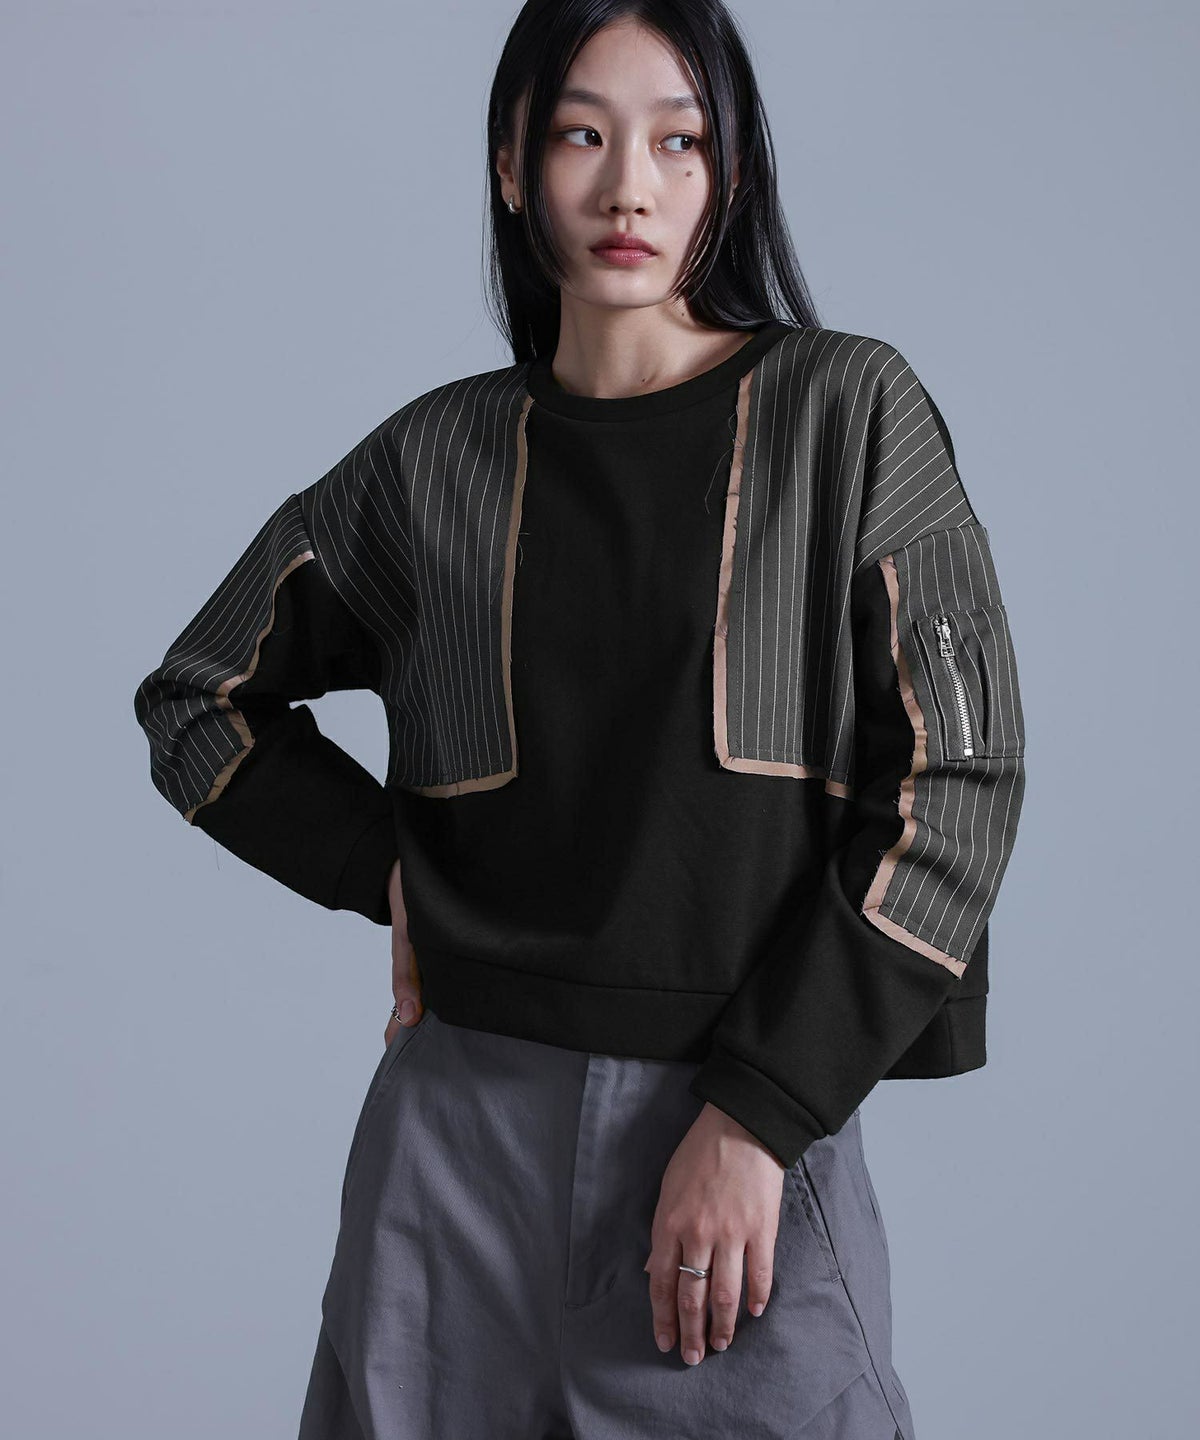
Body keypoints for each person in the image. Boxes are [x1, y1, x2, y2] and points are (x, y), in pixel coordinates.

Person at [132, 1, 1027, 1436]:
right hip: (452, 1155)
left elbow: (958, 783)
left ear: (731, 172)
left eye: (679, 142)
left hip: (738, 1139)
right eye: (579, 135)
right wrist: (388, 872)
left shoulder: (848, 413)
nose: (629, 189)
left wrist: (761, 1113)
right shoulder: (432, 461)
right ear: (511, 164)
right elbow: (198, 700)